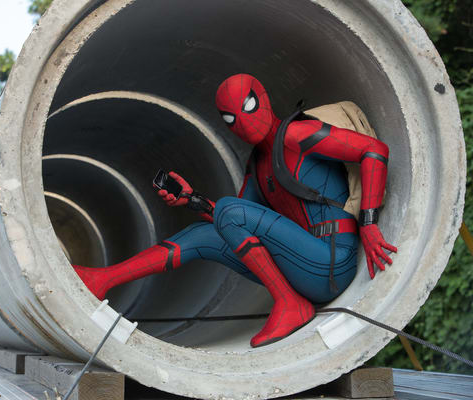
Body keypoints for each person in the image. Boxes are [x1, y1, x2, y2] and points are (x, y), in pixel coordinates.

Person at [73, 73, 397, 348]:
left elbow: (373, 151)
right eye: (230, 118)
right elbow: (234, 221)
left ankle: (289, 302)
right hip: (301, 267)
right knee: (204, 233)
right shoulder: (258, 164)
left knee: (230, 210)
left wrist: (368, 223)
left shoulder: (297, 134)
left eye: (248, 106)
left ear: (264, 100)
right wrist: (193, 200)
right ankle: (103, 279)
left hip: (331, 263)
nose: (242, 121)